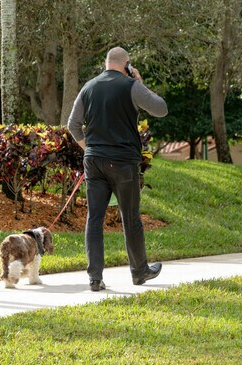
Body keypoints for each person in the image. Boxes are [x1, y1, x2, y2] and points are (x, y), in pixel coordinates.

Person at [68, 47, 168, 291]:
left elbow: (73, 125)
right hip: (123, 162)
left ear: (106, 64)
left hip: (94, 161)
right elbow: (161, 109)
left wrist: (89, 148)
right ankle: (139, 271)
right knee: (130, 218)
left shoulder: (88, 87)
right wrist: (140, 83)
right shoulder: (131, 86)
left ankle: (94, 278)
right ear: (127, 65)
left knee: (94, 218)